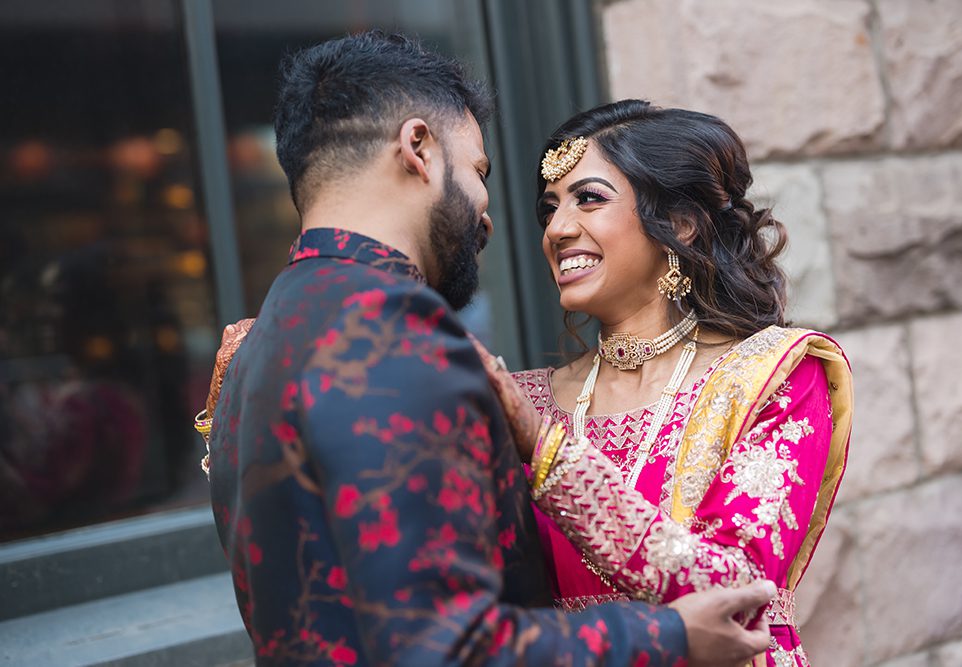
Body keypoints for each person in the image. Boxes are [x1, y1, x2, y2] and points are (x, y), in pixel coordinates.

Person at [199, 32, 774, 666]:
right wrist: (668, 636)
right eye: (479, 171)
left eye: (587, 199)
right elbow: (450, 648)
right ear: (418, 149)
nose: (491, 215)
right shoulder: (391, 332)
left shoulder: (254, 350)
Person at [481, 101, 853, 667]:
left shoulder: (773, 376)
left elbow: (736, 589)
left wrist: (549, 454)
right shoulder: (524, 401)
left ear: (678, 223)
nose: (557, 229)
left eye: (589, 198)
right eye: (549, 208)